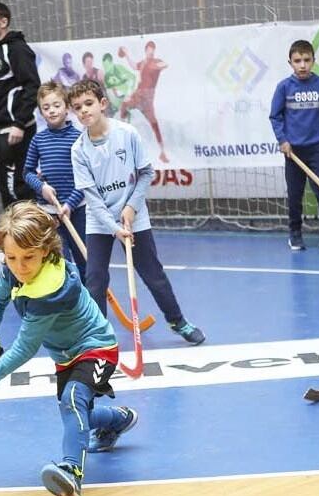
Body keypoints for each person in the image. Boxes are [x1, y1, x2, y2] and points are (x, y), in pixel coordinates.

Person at [0, 202, 138, 496]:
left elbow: (24, 349)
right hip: (65, 355)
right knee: (75, 414)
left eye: (28, 258)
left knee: (72, 403)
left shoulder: (48, 290)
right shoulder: (15, 268)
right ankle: (118, 419)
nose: (20, 267)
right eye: (11, 258)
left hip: (97, 348)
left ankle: (71, 474)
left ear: (45, 250)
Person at [68, 79, 206, 345]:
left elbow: (146, 174)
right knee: (95, 278)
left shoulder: (127, 133)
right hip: (101, 221)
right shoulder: (78, 150)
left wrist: (130, 208)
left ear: (103, 104)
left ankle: (177, 321)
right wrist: (114, 227)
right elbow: (92, 199)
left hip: (135, 214)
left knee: (153, 273)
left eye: (89, 103)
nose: (84, 110)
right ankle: (99, 336)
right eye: (77, 107)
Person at [0, 1, 40, 262]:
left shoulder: (16, 49)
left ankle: (28, 245)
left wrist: (18, 123)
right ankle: (13, 245)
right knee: (5, 189)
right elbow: (3, 92)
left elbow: (31, 86)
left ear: (4, 21)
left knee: (20, 189)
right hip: (0, 129)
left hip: (16, 132)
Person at [269, 39, 319, 252]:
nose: (303, 65)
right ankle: (295, 234)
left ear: (314, 61)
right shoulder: (284, 87)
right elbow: (275, 117)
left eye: (307, 60)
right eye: (297, 61)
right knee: (295, 195)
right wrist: (282, 140)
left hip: (317, 148)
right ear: (290, 62)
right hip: (294, 152)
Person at [23, 81, 87, 280]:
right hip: (50, 212)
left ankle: (88, 305)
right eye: (46, 107)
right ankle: (68, 305)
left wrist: (70, 204)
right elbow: (27, 172)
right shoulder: (38, 140)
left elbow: (85, 179)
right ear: (41, 112)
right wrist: (41, 187)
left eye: (56, 105)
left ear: (67, 108)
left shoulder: (79, 138)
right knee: (60, 262)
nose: (51, 111)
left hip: (77, 210)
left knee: (84, 261)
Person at [119, 41, 170, 163]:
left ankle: (162, 152)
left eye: (153, 50)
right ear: (146, 50)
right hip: (139, 95)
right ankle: (121, 138)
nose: (151, 52)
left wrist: (157, 66)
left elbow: (165, 64)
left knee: (154, 124)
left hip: (147, 98)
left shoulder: (156, 62)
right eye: (149, 49)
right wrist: (126, 54)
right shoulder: (142, 63)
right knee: (124, 104)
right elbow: (133, 66)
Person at [100, 52, 136, 119]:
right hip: (117, 107)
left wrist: (129, 94)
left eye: (107, 65)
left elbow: (132, 78)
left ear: (111, 63)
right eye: (104, 66)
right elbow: (110, 93)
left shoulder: (119, 69)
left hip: (128, 100)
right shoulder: (106, 77)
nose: (106, 68)